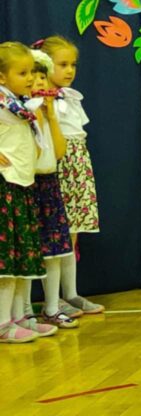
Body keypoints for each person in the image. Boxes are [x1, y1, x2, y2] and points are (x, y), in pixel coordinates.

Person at [38, 36, 104, 316]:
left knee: (72, 233)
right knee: (55, 234)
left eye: (73, 65)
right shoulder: (39, 101)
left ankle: (71, 293)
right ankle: (52, 300)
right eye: (62, 64)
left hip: (77, 165)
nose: (69, 70)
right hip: (57, 166)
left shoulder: (71, 97)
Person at [0, 42, 47, 344]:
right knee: (5, 262)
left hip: (22, 184)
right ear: (2, 77)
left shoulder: (20, 105)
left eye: (31, 72)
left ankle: (18, 316)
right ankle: (2, 323)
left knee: (19, 258)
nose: (30, 78)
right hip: (5, 185)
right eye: (22, 73)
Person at [29, 50, 78, 329]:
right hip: (27, 184)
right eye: (33, 78)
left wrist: (51, 118)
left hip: (50, 183)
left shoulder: (49, 114)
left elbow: (58, 152)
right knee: (28, 250)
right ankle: (24, 312)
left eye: (41, 78)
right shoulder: (22, 113)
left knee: (56, 249)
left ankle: (52, 308)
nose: (38, 83)